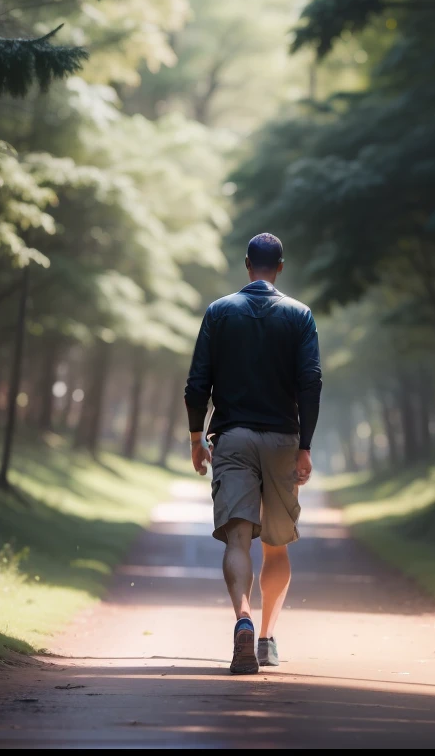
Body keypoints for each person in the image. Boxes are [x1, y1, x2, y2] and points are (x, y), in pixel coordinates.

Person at [183, 233, 322, 675]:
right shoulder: (300, 315)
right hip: (282, 439)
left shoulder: (219, 312)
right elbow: (311, 383)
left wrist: (195, 439)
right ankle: (265, 639)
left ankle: (241, 617)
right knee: (276, 546)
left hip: (233, 437)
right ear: (279, 266)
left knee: (238, 536)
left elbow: (196, 383)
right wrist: (305, 447)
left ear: (247, 265)